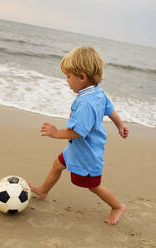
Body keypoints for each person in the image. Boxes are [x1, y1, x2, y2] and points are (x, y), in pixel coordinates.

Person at [29, 47, 129, 225]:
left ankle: (117, 206)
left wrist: (55, 133)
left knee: (93, 186)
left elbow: (77, 132)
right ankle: (43, 190)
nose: (67, 81)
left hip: (87, 155)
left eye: (68, 76)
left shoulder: (86, 103)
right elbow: (110, 110)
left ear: (82, 77)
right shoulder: (98, 93)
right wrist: (120, 125)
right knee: (57, 165)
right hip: (77, 149)